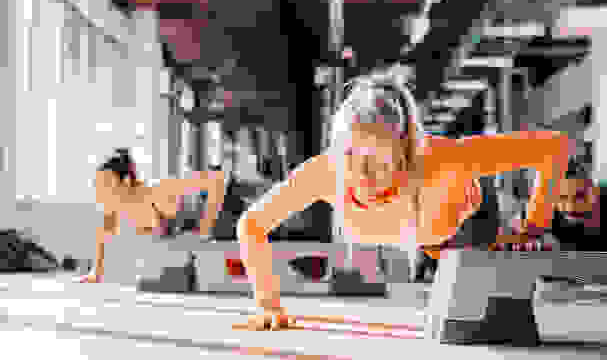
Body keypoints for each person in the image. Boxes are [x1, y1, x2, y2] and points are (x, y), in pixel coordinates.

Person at [234, 68, 571, 331]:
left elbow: (553, 147)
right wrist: (268, 304)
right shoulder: (325, 172)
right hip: (421, 231)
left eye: (379, 163)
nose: (362, 176)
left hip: (471, 222)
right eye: (351, 157)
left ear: (405, 157)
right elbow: (252, 224)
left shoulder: (439, 159)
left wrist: (534, 226)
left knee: (475, 309)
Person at [80, 149, 224, 283]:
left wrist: (205, 230)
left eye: (105, 184)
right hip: (183, 239)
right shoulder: (113, 204)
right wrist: (96, 272)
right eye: (98, 185)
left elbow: (216, 182)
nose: (100, 191)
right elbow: (102, 235)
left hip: (223, 215)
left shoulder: (160, 190)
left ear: (126, 182)